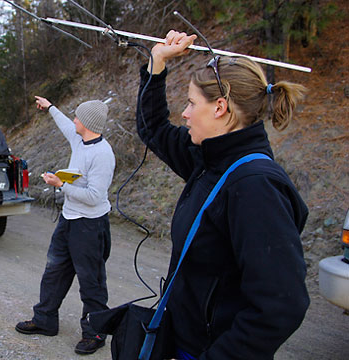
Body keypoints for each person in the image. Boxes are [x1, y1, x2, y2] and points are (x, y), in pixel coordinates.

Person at [135, 30, 310, 359]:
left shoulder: (255, 187)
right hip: (182, 341)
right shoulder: (209, 160)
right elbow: (154, 128)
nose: (184, 113)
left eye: (190, 103)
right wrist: (156, 63)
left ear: (220, 107)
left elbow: (280, 306)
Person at [15, 96, 116, 355]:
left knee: (91, 281)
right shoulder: (80, 139)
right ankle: (44, 320)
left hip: (90, 226)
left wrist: (62, 186)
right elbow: (63, 124)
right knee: (54, 270)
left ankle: (95, 333)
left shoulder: (103, 154)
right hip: (68, 220)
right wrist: (49, 107)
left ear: (89, 123)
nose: (74, 120)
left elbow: (95, 197)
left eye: (78, 117)